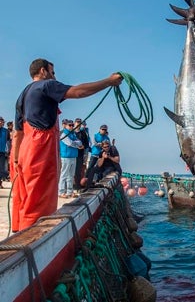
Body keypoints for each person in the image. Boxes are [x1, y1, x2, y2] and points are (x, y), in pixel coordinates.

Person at [13, 58, 123, 230]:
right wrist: (108, 82)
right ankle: (33, 238)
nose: (54, 76)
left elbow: (18, 133)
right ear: (42, 71)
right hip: (39, 149)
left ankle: (19, 231)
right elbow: (78, 92)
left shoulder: (23, 94)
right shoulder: (46, 85)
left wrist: (15, 160)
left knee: (26, 196)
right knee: (39, 198)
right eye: (53, 72)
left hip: (25, 150)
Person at [59, 120, 83, 198]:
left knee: (71, 175)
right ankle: (61, 192)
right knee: (64, 174)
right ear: (65, 125)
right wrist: (77, 145)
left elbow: (79, 142)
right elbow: (70, 143)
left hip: (73, 156)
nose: (72, 126)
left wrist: (75, 144)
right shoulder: (63, 134)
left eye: (72, 125)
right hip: (66, 157)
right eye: (70, 125)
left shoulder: (73, 134)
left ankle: (70, 191)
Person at [73, 118, 89, 191]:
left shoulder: (83, 133)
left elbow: (86, 144)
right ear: (75, 123)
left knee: (78, 171)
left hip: (80, 155)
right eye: (77, 122)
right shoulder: (71, 132)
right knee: (70, 171)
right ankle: (69, 187)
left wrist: (83, 147)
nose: (78, 124)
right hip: (72, 155)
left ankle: (77, 186)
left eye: (79, 122)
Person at [0, 117, 10, 188]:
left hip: (2, 152)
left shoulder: (6, 131)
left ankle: (0, 183)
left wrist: (8, 151)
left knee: (1, 169)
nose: (0, 123)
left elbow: (8, 142)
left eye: (2, 122)